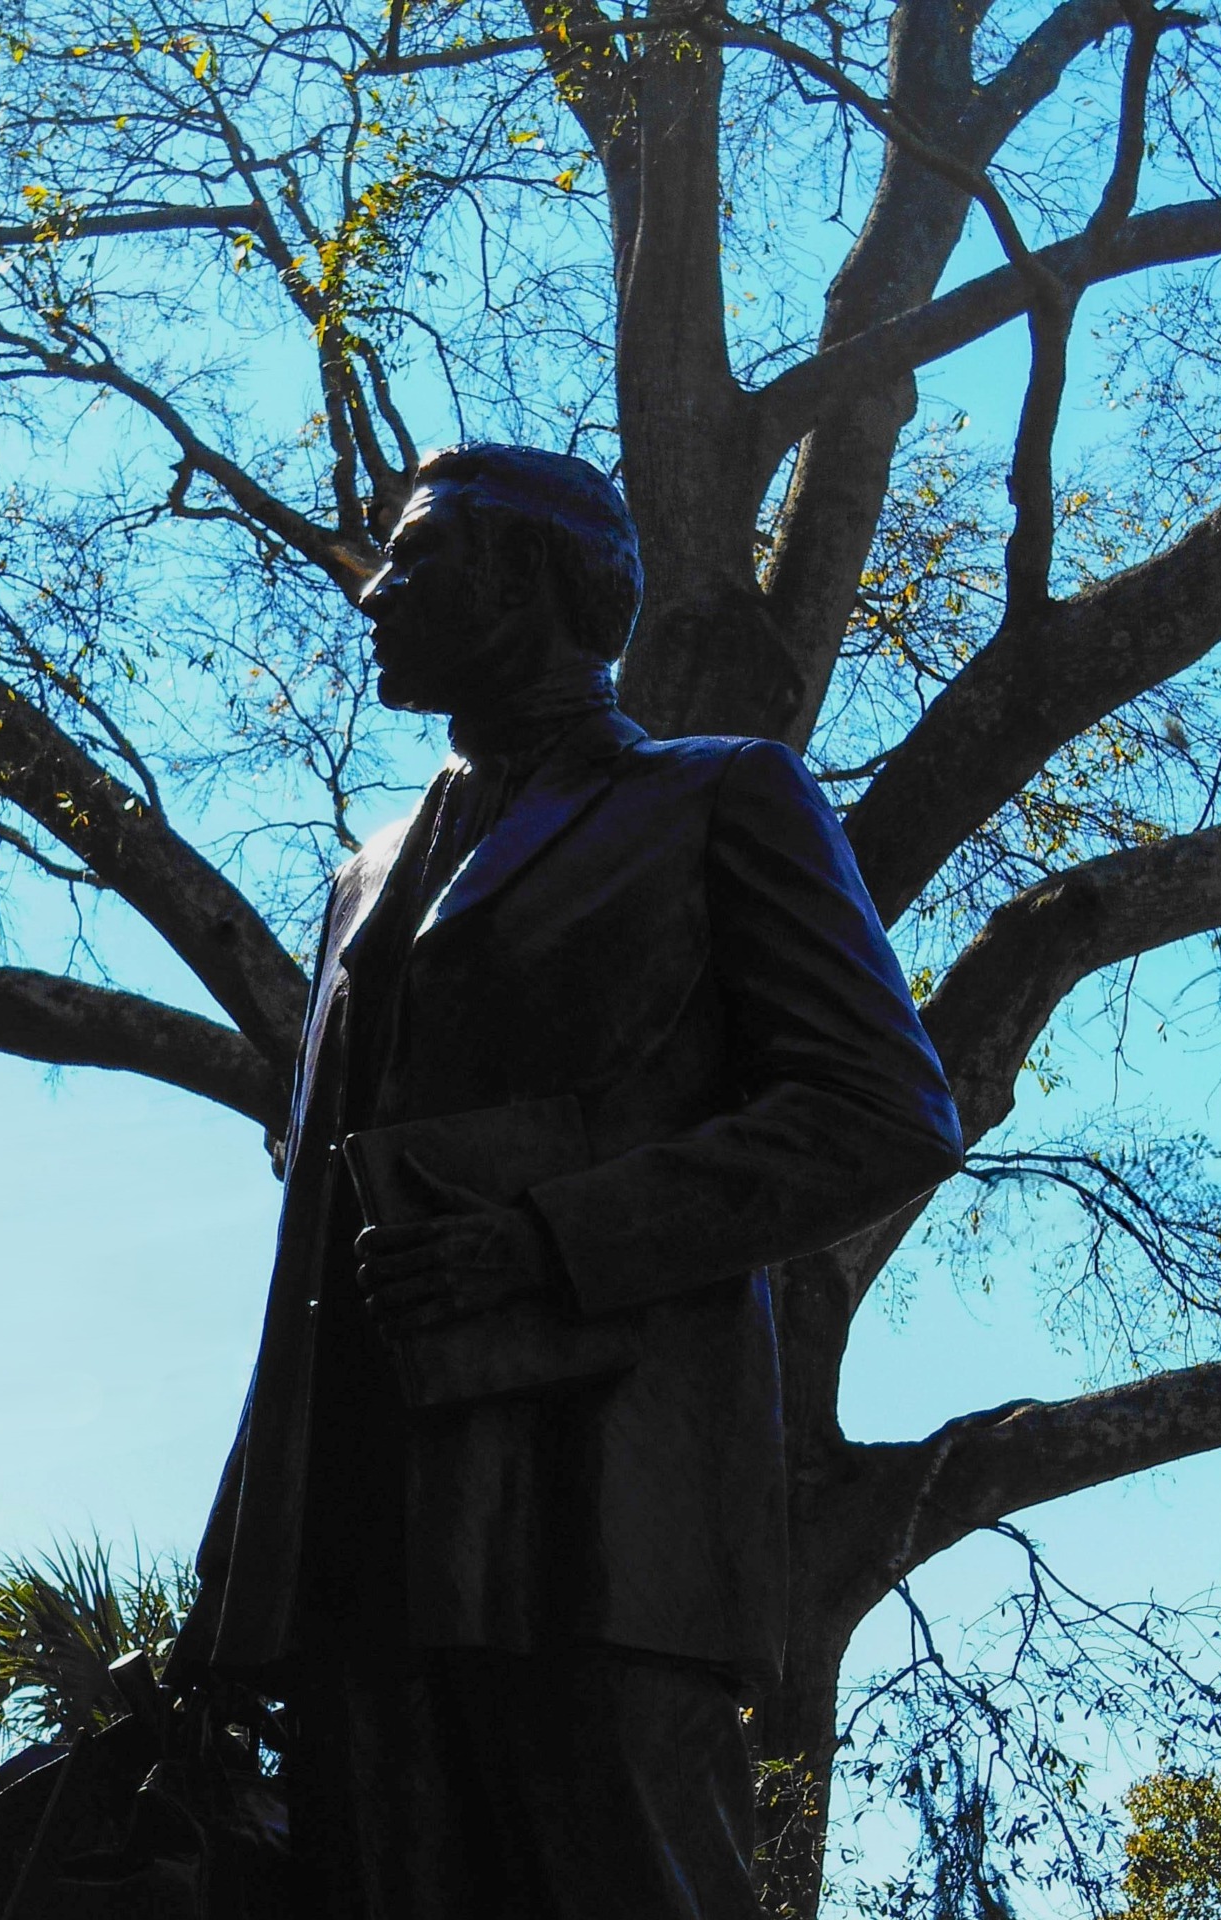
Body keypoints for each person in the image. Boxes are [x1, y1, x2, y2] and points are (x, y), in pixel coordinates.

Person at [174, 443, 963, 1917]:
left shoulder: (717, 798)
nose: (373, 593)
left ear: (530, 577)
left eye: (414, 559)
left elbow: (880, 1110)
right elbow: (308, 1236)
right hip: (360, 1530)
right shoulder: (363, 872)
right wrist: (243, 1560)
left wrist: (546, 1239)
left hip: (606, 1508)